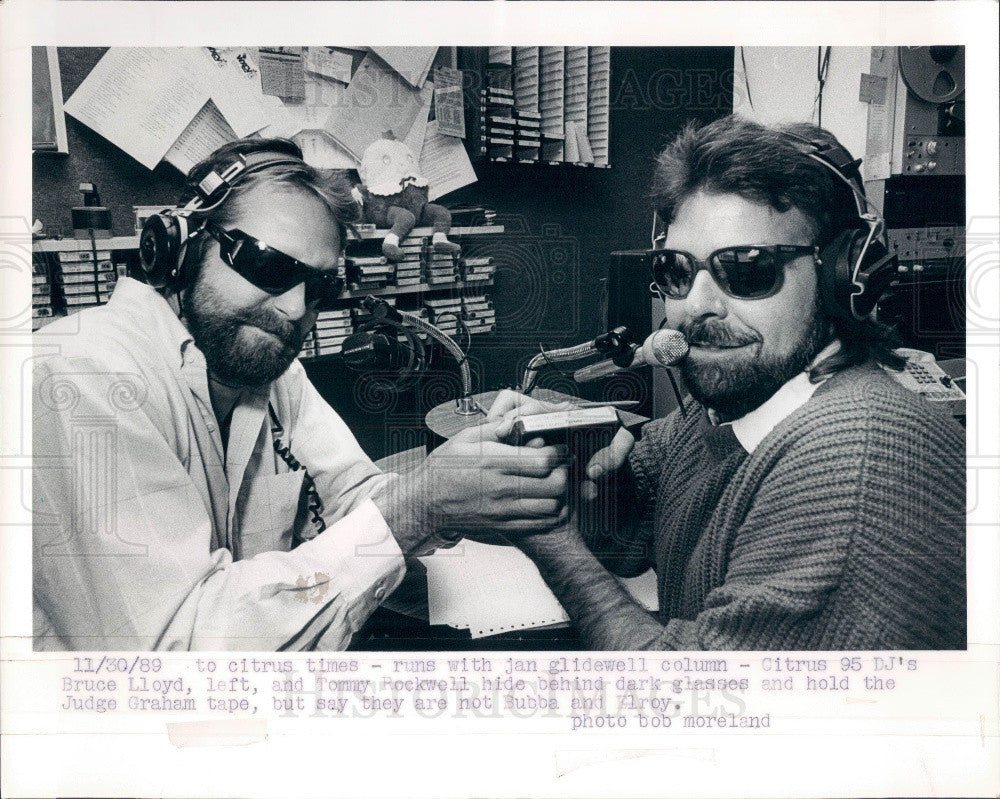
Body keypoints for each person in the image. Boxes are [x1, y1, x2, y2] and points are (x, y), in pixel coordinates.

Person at [33, 138, 569, 651]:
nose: (295, 311)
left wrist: (472, 480)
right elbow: (177, 650)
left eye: (319, 290)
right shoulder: (79, 374)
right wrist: (420, 503)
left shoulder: (268, 371)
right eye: (269, 266)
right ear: (177, 247)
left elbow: (355, 496)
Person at [489, 115, 966, 651]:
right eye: (676, 270)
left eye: (746, 268)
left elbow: (687, 704)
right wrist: (584, 465)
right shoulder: (726, 407)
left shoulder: (856, 456)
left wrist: (552, 542)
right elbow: (630, 537)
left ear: (843, 276)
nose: (696, 307)